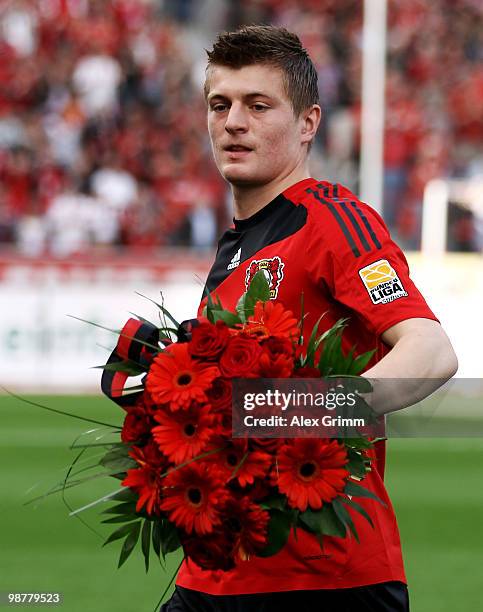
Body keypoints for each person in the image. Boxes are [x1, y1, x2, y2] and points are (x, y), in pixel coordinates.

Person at [160, 25, 458, 612]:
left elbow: (431, 349)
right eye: (220, 105)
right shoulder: (235, 248)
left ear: (308, 124)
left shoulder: (335, 220)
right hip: (220, 571)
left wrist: (304, 407)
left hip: (326, 580)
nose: (233, 122)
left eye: (258, 105)